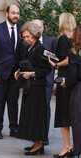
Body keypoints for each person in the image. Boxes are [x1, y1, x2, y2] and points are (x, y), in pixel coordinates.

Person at [15, 21, 51, 155]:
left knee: (36, 116)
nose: (26, 39)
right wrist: (19, 71)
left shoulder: (40, 48)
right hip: (31, 87)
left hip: (38, 88)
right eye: (24, 37)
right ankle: (36, 143)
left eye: (28, 36)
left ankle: (39, 144)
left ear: (35, 34)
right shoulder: (30, 47)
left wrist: (32, 73)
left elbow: (46, 69)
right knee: (31, 116)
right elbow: (30, 64)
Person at [0, 4, 21, 139]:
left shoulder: (22, 29)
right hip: (0, 72)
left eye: (17, 13)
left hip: (16, 73)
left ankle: (14, 128)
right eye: (13, 13)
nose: (16, 16)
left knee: (14, 102)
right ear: (6, 14)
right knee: (0, 101)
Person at [48, 13, 76, 158]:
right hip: (75, 80)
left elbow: (67, 60)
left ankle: (67, 147)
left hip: (64, 80)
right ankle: (72, 147)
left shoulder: (63, 39)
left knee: (63, 115)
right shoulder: (75, 40)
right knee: (73, 115)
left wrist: (55, 63)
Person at [32, 19, 57, 145]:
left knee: (45, 108)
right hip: (34, 82)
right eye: (35, 26)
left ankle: (44, 136)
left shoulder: (51, 41)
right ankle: (35, 136)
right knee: (34, 108)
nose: (38, 28)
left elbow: (57, 59)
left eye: (40, 26)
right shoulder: (28, 42)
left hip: (47, 81)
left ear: (43, 28)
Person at [60, 26, 81, 158]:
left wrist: (64, 83)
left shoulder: (74, 54)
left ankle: (77, 151)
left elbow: (72, 78)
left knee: (77, 122)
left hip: (78, 90)